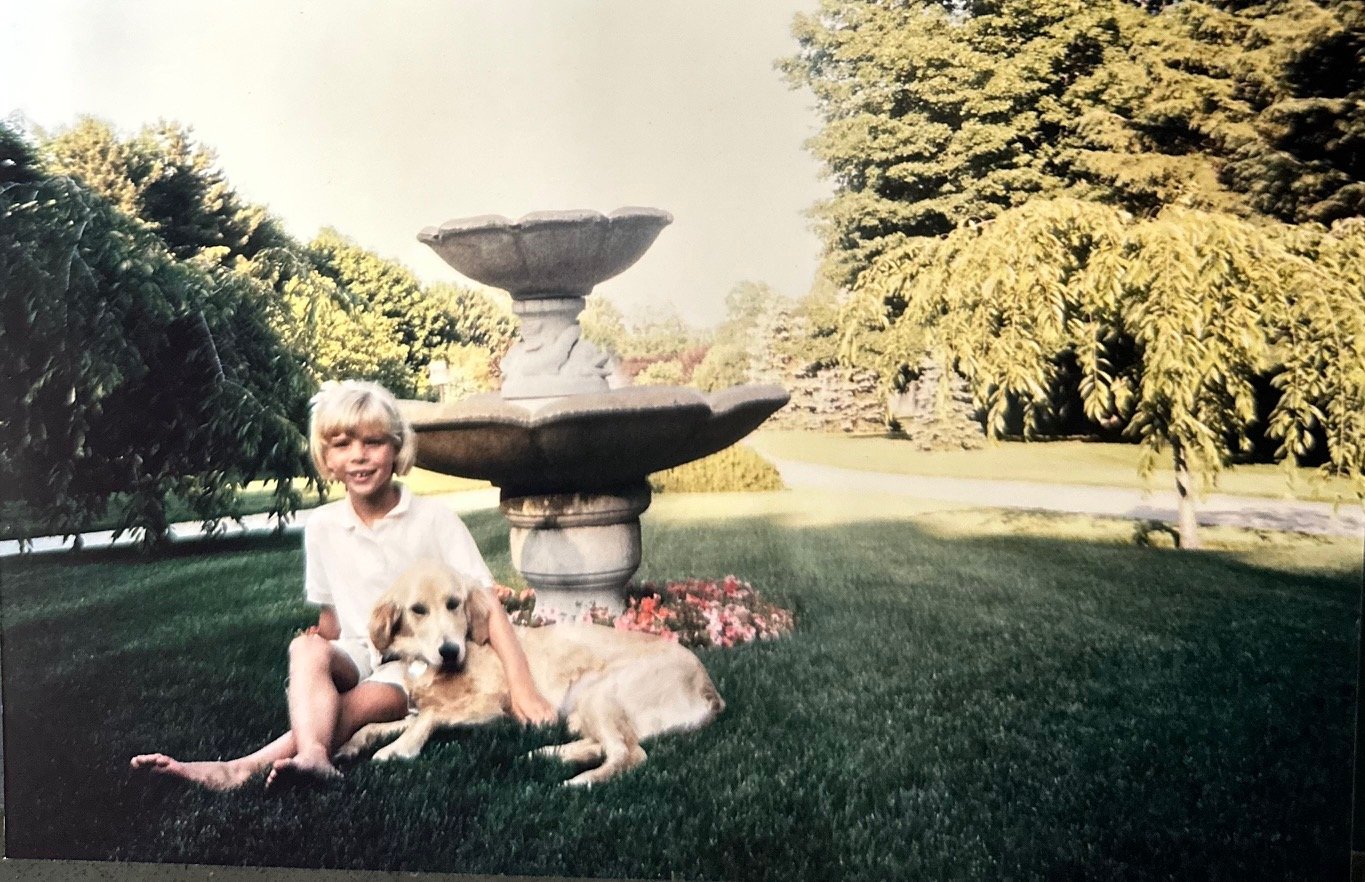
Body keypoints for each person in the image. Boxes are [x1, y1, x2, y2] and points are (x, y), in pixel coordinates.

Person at [130, 380, 556, 790]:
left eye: (373, 442)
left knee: (352, 707)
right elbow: (331, 619)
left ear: (397, 449)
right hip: (358, 650)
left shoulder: (434, 519)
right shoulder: (323, 527)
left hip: (410, 664)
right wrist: (316, 663)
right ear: (327, 459)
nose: (359, 456)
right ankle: (310, 754)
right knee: (305, 649)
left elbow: (487, 606)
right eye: (342, 445)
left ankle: (242, 769)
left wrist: (523, 688)